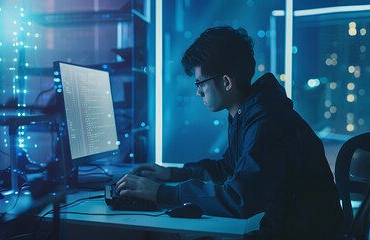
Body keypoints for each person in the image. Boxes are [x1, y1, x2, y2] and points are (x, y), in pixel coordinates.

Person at [116, 26, 343, 239]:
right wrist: (172, 175)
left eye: (201, 84)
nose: (198, 93)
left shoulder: (268, 122)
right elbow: (227, 169)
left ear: (225, 82)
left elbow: (239, 198)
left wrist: (163, 193)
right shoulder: (250, 113)